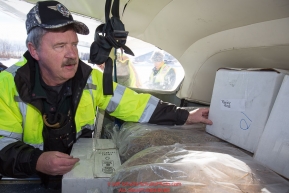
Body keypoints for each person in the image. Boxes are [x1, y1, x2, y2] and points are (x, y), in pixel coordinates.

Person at [0, 0, 212, 187]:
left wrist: (185, 115)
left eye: (74, 44)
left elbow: (134, 104)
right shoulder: (7, 85)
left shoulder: (90, 78)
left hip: (78, 172)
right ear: (34, 50)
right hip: (25, 179)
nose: (72, 54)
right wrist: (37, 161)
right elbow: (2, 146)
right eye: (60, 46)